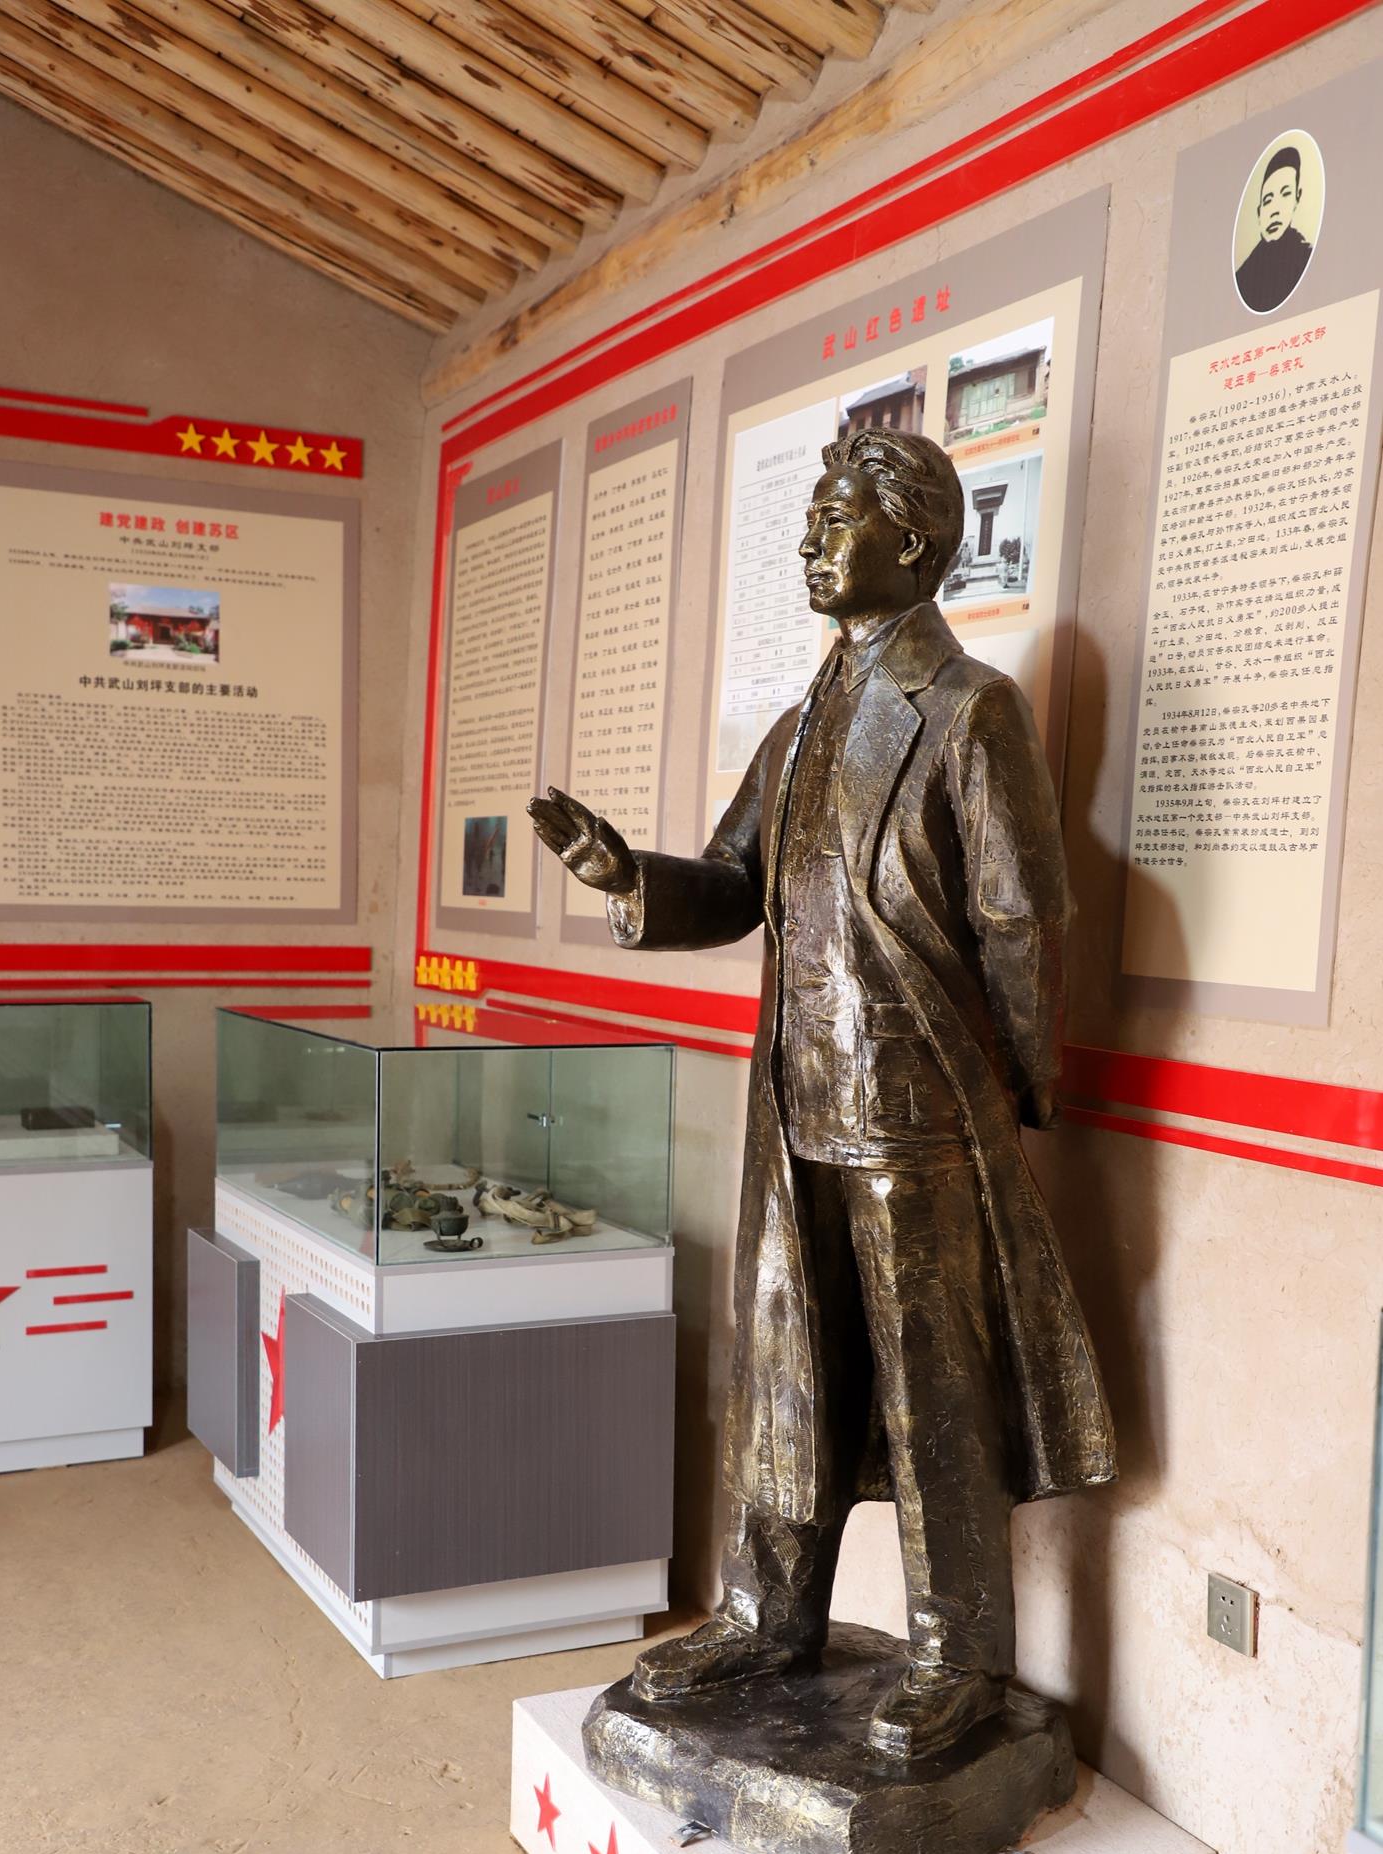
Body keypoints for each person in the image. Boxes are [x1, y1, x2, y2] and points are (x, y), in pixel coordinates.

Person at [530, 427, 1115, 1760]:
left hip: (917, 1116)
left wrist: (1015, 1083)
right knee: (785, 1373)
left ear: (912, 542)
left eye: (836, 516)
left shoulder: (970, 709)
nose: (808, 538)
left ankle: (957, 1652)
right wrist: (629, 878)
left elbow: (1023, 916)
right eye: (807, 515)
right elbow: (734, 884)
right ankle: (767, 1613)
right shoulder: (799, 726)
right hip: (797, 1105)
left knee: (932, 1392)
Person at [1236, 145, 1313, 313]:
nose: (1274, 211)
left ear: (1297, 199)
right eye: (1268, 200)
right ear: (1259, 212)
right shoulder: (1243, 276)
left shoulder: (1305, 256)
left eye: (1285, 194)